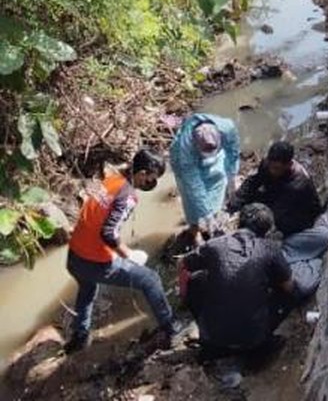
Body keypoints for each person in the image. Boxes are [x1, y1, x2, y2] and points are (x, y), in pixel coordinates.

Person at [66, 148, 176, 353]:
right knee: (150, 279)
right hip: (93, 261)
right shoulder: (127, 196)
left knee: (88, 289)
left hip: (74, 256)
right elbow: (108, 233)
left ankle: (79, 338)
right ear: (142, 173)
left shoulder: (112, 179)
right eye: (152, 178)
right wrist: (128, 254)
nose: (152, 183)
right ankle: (171, 329)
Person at [182, 203, 295, 358]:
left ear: (238, 223)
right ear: (267, 231)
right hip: (254, 340)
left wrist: (185, 295)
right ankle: (261, 342)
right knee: (286, 291)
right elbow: (289, 287)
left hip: (214, 337)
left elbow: (183, 264)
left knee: (195, 280)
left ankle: (212, 341)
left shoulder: (215, 245)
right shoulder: (270, 248)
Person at [229, 141, 328, 264]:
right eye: (270, 166)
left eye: (276, 169)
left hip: (297, 214)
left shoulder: (299, 184)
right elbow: (253, 181)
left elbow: (276, 213)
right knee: (248, 204)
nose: (272, 171)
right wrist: (238, 200)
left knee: (261, 223)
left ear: (289, 165)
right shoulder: (267, 164)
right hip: (277, 196)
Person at [170, 112, 240, 246]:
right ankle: (194, 230)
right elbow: (193, 184)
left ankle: (213, 215)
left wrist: (232, 181)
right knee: (191, 200)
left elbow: (233, 153)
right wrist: (206, 214)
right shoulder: (185, 147)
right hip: (185, 167)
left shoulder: (227, 128)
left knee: (218, 185)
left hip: (217, 160)